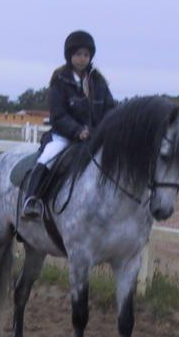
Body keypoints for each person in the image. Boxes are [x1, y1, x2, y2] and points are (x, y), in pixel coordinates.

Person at [21, 30, 116, 219]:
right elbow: (58, 114)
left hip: (95, 137)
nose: (82, 59)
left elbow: (110, 109)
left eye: (86, 55)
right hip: (64, 136)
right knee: (48, 157)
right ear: (70, 56)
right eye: (78, 54)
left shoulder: (99, 82)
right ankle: (32, 200)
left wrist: (106, 130)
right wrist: (77, 131)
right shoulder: (60, 80)